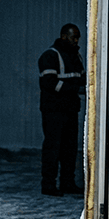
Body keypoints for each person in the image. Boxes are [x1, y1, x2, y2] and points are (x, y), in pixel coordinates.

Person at [38, 24, 85, 196]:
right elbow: (49, 83)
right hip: (53, 111)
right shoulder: (50, 56)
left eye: (78, 37)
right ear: (64, 36)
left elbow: (81, 79)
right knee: (53, 148)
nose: (76, 41)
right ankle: (48, 185)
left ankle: (68, 183)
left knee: (70, 148)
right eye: (74, 37)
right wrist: (75, 89)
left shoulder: (76, 56)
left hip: (71, 110)